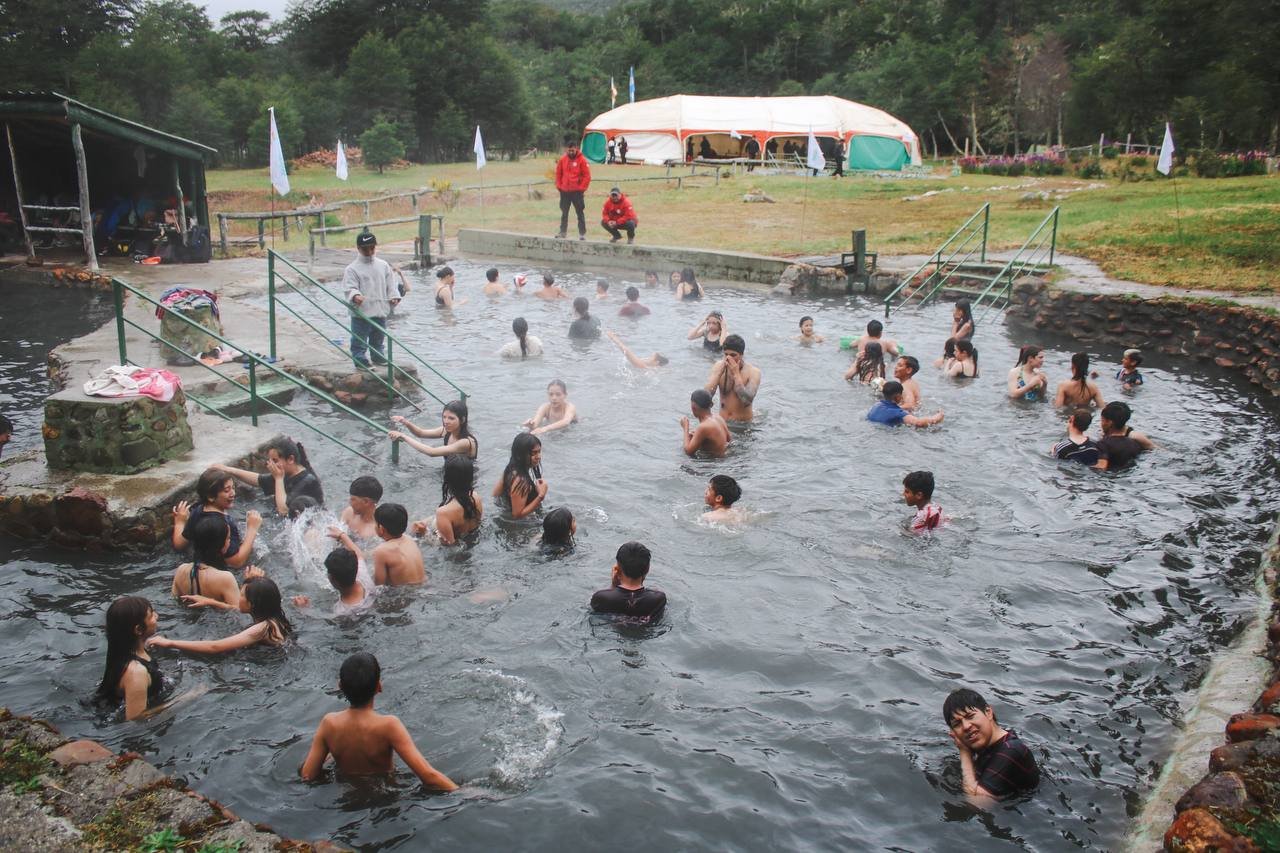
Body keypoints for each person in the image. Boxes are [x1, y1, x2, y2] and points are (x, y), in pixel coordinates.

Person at [300, 652, 458, 790]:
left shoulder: (329, 723)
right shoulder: (388, 725)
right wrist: (461, 792)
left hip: (347, 797)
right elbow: (429, 776)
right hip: (384, 796)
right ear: (379, 687)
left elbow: (308, 775)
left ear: (340, 686)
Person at [149, 578, 292, 654]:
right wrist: (210, 602)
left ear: (252, 604)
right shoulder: (274, 616)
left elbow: (215, 647)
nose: (238, 597)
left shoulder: (262, 628)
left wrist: (170, 643)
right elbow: (235, 608)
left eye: (242, 595)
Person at [943, 687, 1040, 799]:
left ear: (988, 712)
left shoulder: (1011, 750)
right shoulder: (994, 745)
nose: (966, 726)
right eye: (957, 724)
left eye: (970, 716)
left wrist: (964, 753)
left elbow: (978, 803)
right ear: (953, 733)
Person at [172, 468, 261, 569]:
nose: (233, 493)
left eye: (233, 488)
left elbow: (179, 544)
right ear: (210, 496)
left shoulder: (197, 511)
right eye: (227, 490)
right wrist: (252, 529)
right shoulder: (224, 525)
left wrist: (180, 522)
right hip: (220, 570)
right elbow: (235, 562)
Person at [214, 437, 324, 518]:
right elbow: (259, 480)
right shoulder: (286, 473)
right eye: (270, 461)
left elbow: (284, 510)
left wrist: (279, 479)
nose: (270, 465)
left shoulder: (308, 480)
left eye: (275, 461)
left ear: (290, 459)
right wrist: (228, 469)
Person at [95, 596, 162, 721]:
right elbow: (136, 719)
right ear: (138, 629)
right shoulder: (136, 673)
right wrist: (182, 700)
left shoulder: (124, 651)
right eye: (151, 616)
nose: (156, 616)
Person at [343, 232, 400, 368]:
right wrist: (355, 296)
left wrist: (394, 296)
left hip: (380, 311)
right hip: (361, 313)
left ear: (375, 247)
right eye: (365, 249)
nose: (369, 251)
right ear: (358, 248)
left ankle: (377, 356)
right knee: (359, 339)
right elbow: (350, 287)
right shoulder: (351, 269)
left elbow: (391, 284)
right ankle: (360, 360)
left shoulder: (383, 265)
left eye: (372, 248)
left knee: (378, 338)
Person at [171, 512, 243, 608]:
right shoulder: (225, 578)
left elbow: (174, 600)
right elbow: (240, 611)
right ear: (221, 545)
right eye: (228, 538)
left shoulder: (181, 570)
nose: (229, 541)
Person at [590, 541, 666, 623]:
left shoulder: (601, 598)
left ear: (617, 568)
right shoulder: (658, 599)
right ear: (647, 569)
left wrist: (613, 586)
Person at [389, 400, 478, 459]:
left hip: (464, 478)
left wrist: (403, 436)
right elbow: (420, 433)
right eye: (444, 417)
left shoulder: (465, 442)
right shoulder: (446, 431)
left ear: (462, 420)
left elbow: (432, 452)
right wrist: (404, 422)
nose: (446, 421)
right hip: (449, 471)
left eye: (451, 418)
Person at [705, 335, 761, 422]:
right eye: (726, 354)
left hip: (743, 425)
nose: (728, 358)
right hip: (723, 422)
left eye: (733, 355)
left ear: (741, 355)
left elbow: (747, 400)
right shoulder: (718, 366)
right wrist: (718, 374)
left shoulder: (753, 372)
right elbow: (706, 397)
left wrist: (736, 374)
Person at [493, 433, 548, 519]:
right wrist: (541, 496)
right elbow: (517, 515)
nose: (538, 457)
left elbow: (495, 494)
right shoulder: (521, 481)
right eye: (534, 453)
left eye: (539, 452)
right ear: (520, 455)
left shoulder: (510, 469)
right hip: (521, 525)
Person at [367, 503, 423, 585]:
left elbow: (378, 585)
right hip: (423, 586)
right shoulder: (410, 540)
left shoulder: (381, 551)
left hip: (403, 592)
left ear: (381, 529)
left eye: (375, 523)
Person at [432, 454, 483, 545]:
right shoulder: (476, 497)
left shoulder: (443, 513)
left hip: (458, 549)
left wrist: (424, 534)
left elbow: (449, 546)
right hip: (475, 540)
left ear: (447, 478)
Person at [1095, 401, 1155, 471]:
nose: (1101, 423)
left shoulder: (1134, 436)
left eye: (1102, 420)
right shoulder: (1132, 443)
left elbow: (1155, 449)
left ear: (1109, 422)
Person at [322, 537, 374, 616]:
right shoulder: (365, 578)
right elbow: (359, 555)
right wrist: (342, 536)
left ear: (333, 580)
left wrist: (304, 609)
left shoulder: (341, 612)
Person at [554, 141, 591, 240]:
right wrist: (559, 186)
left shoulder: (582, 160)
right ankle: (563, 232)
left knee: (580, 212)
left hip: (577, 192)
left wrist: (581, 189)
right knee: (564, 212)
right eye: (569, 150)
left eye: (572, 150)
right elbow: (558, 174)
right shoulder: (563, 159)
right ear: (567, 149)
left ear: (576, 149)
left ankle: (582, 233)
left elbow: (587, 176)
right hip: (565, 191)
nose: (571, 152)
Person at [867, 381, 944, 428]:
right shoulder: (898, 413)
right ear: (898, 396)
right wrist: (938, 417)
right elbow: (919, 423)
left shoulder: (876, 405)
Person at [680, 389, 731, 457]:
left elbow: (688, 451)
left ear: (693, 407)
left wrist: (685, 427)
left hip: (715, 461)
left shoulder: (703, 427)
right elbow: (729, 439)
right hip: (724, 457)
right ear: (711, 404)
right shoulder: (718, 417)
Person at [341, 475, 382, 540]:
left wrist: (342, 537)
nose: (350, 502)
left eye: (353, 499)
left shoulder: (376, 531)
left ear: (366, 502)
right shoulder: (349, 513)